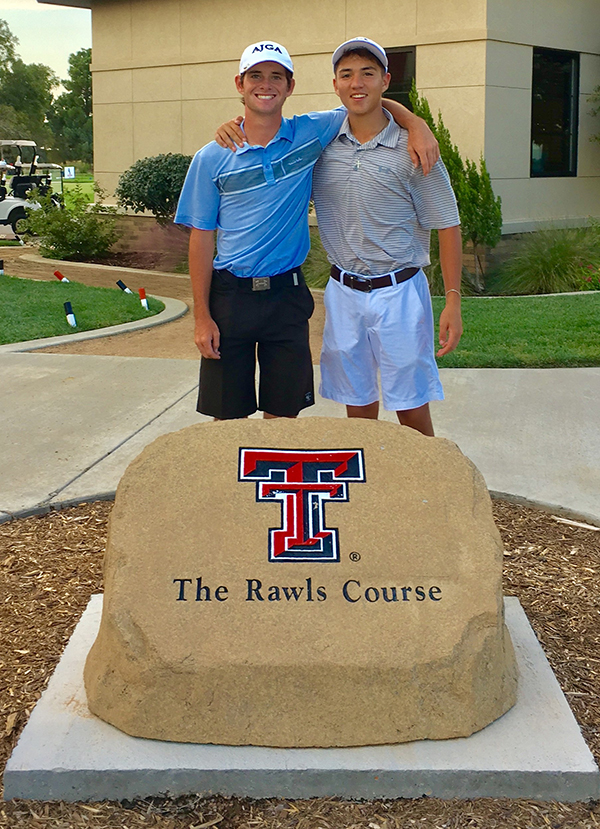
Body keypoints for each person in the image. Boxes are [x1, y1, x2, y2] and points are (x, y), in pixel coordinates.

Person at [175, 40, 439, 421]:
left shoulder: (313, 131)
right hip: (230, 298)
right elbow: (201, 240)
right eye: (256, 76)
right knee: (226, 418)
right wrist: (202, 316)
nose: (265, 84)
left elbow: (365, 101)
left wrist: (416, 123)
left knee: (284, 417)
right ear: (239, 83)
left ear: (290, 86)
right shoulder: (211, 157)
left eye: (276, 77)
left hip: (287, 296)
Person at [311, 37, 463, 436]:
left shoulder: (414, 149)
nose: (356, 83)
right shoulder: (321, 142)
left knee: (411, 407)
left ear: (385, 80)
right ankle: (374, 487)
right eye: (346, 75)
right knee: (357, 405)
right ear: (335, 84)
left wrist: (452, 301)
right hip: (343, 290)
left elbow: (447, 224)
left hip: (400, 292)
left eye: (368, 73)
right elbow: (272, 123)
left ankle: (428, 487)